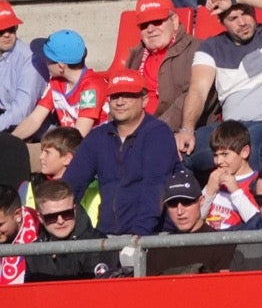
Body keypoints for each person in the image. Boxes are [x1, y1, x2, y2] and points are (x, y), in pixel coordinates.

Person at [177, 0, 262, 173]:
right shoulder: (211, 48)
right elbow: (198, 91)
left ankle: (255, 200)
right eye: (233, 18)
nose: (242, 23)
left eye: (246, 13)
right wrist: (187, 128)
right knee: (181, 151)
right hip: (231, 130)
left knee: (250, 141)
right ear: (221, 21)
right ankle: (194, 201)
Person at [64, 71, 178, 237]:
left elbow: (155, 187)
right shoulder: (98, 137)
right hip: (107, 234)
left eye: (128, 95)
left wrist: (139, 236)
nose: (120, 102)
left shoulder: (158, 133)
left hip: (151, 235)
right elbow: (70, 185)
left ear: (144, 100)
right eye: (115, 96)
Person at [11, 29, 104, 141]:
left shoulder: (91, 88)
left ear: (60, 66)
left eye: (48, 60)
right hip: (71, 142)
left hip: (93, 146)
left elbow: (79, 135)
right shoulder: (56, 82)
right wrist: (10, 141)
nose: (45, 63)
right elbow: (34, 119)